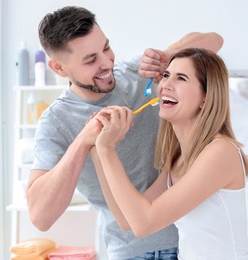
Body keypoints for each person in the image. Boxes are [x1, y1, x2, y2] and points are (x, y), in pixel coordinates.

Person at [26, 6, 223, 260]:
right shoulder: (55, 122)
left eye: (106, 48)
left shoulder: (137, 73)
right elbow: (40, 216)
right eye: (90, 60)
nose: (107, 62)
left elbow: (214, 41)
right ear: (59, 68)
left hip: (190, 240)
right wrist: (84, 140)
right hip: (130, 251)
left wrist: (168, 56)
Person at [90, 48, 248, 260]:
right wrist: (97, 151)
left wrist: (107, 149)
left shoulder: (220, 151)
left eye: (181, 78)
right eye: (166, 75)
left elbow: (144, 224)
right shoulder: (178, 160)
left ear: (206, 98)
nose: (166, 84)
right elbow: (126, 221)